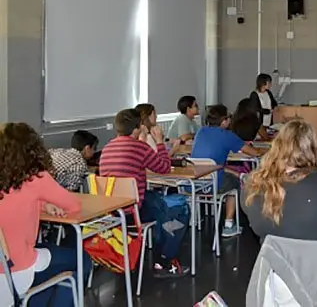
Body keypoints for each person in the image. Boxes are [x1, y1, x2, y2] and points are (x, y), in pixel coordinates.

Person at [0, 122, 89, 307]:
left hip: (4, 275)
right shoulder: (36, 179)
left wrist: (42, 205)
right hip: (18, 272)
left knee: (49, 259)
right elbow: (73, 206)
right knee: (82, 260)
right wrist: (45, 202)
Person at [100, 109, 190, 278]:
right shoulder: (140, 147)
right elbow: (163, 167)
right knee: (180, 209)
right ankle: (164, 260)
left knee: (158, 206)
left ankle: (157, 244)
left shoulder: (107, 148)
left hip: (112, 212)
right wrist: (159, 142)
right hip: (134, 211)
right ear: (136, 128)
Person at [191, 104, 265, 237]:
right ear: (224, 120)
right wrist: (263, 151)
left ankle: (195, 220)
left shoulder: (201, 131)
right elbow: (253, 153)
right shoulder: (227, 135)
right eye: (229, 118)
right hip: (214, 184)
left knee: (225, 172)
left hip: (194, 183)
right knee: (236, 184)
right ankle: (228, 225)